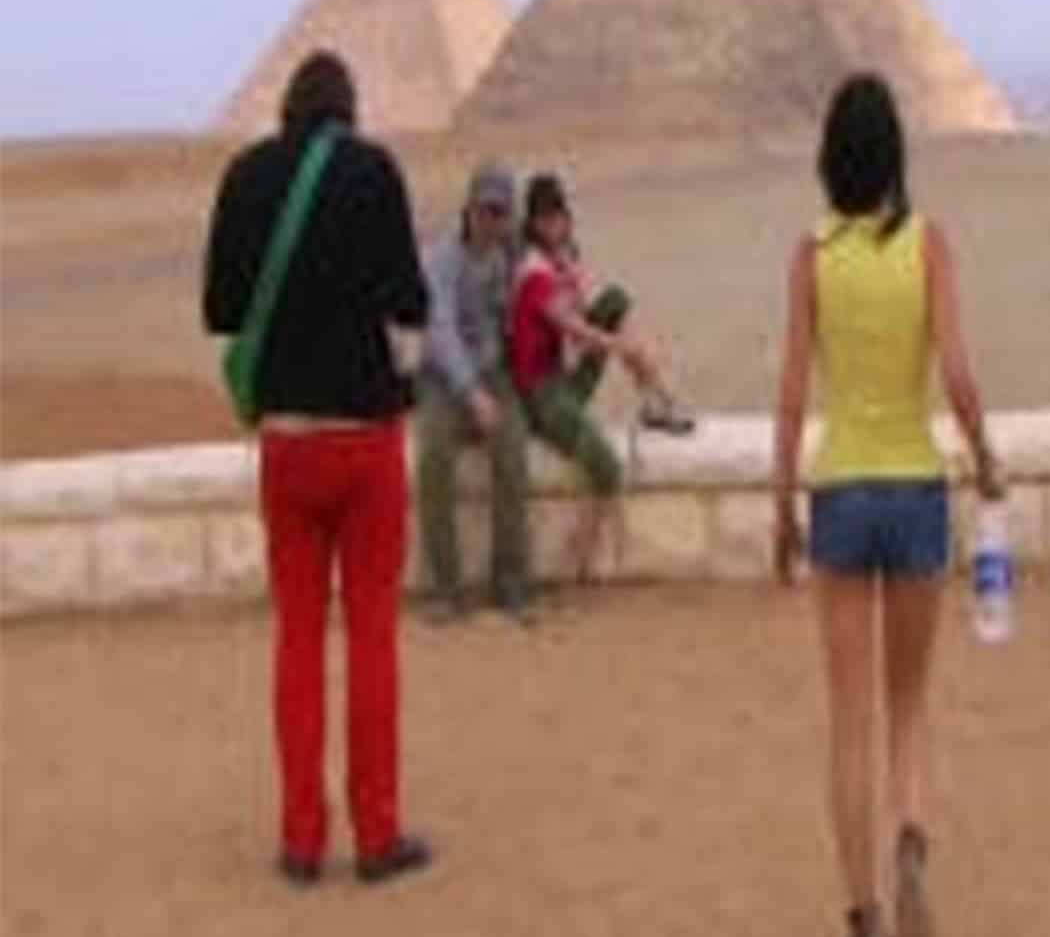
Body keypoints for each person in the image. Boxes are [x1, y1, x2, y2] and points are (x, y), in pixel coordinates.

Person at [772, 73, 1004, 937]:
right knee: (908, 703)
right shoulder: (930, 246)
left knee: (849, 724)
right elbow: (959, 376)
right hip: (914, 489)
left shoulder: (811, 256)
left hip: (841, 492)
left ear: (830, 159)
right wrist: (984, 459)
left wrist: (780, 503)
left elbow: (793, 393)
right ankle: (911, 833)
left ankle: (863, 919)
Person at [202, 51, 434, 887]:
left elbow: (221, 310)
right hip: (366, 440)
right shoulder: (374, 172)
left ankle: (301, 839)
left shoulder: (245, 176)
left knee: (297, 638)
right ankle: (377, 834)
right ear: (350, 107)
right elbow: (412, 303)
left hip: (287, 445)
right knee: (372, 636)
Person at [508, 172, 695, 580]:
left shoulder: (561, 261)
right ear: (533, 223)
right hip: (541, 395)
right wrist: (618, 346)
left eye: (559, 216)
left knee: (615, 300)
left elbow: (583, 313)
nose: (555, 225)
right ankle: (582, 556)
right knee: (606, 466)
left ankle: (656, 399)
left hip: (562, 379)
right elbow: (570, 327)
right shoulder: (533, 272)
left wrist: (612, 336)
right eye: (546, 219)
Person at [415, 163, 534, 625]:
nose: (491, 221)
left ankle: (511, 581)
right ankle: (445, 588)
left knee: (513, 453)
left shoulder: (511, 254)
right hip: (444, 378)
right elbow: (440, 329)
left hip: (493, 373)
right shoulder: (442, 259)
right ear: (468, 209)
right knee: (433, 456)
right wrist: (472, 394)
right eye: (485, 211)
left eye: (500, 213)